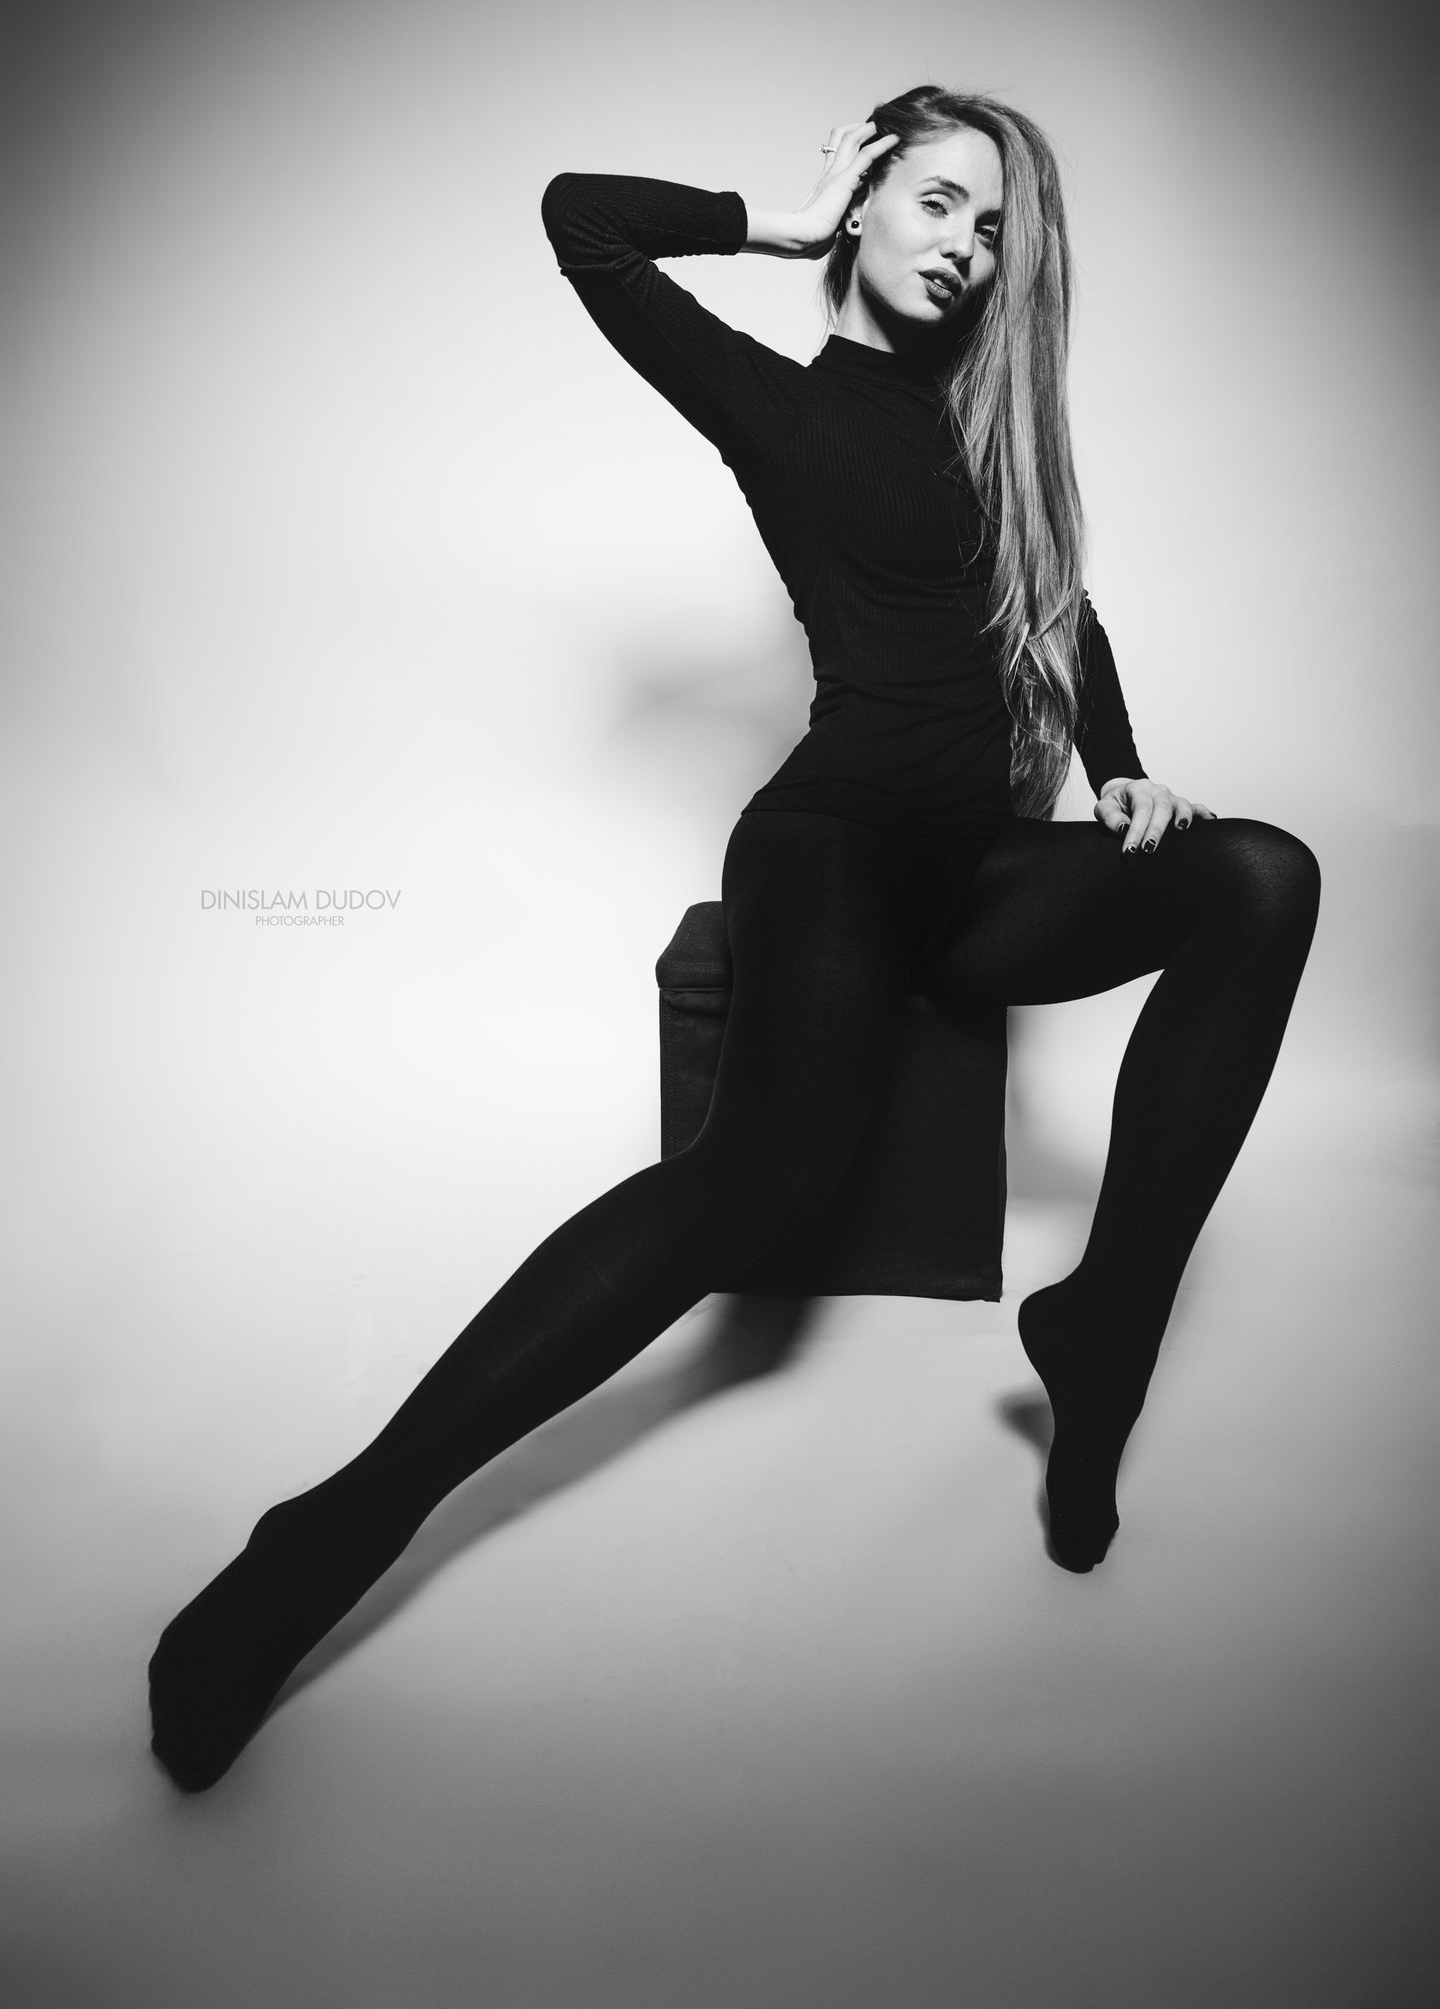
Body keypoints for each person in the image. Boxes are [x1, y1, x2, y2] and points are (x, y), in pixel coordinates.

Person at [148, 86, 1320, 1792]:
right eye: (936, 201)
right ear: (870, 199)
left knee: (1261, 878)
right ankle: (326, 1534)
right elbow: (581, 216)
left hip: (980, 871)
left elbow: (1056, 608)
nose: (966, 248)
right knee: (752, 1190)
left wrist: (1122, 770)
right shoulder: (780, 402)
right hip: (833, 852)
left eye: (995, 228)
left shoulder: (985, 428)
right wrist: (777, 223)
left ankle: (1104, 1337)